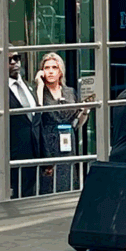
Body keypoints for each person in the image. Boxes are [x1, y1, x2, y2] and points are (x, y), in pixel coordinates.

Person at [0, 49, 41, 198]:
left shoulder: (29, 86)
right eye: (9, 60)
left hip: (34, 158)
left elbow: (36, 122)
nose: (14, 62)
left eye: (16, 58)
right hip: (9, 160)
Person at [34, 52, 89, 193]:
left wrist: (86, 111)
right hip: (47, 142)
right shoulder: (39, 91)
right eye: (47, 68)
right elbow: (36, 112)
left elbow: (77, 123)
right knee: (48, 184)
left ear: (61, 71)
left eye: (54, 67)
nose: (51, 71)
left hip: (67, 142)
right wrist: (39, 86)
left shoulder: (70, 92)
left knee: (68, 181)